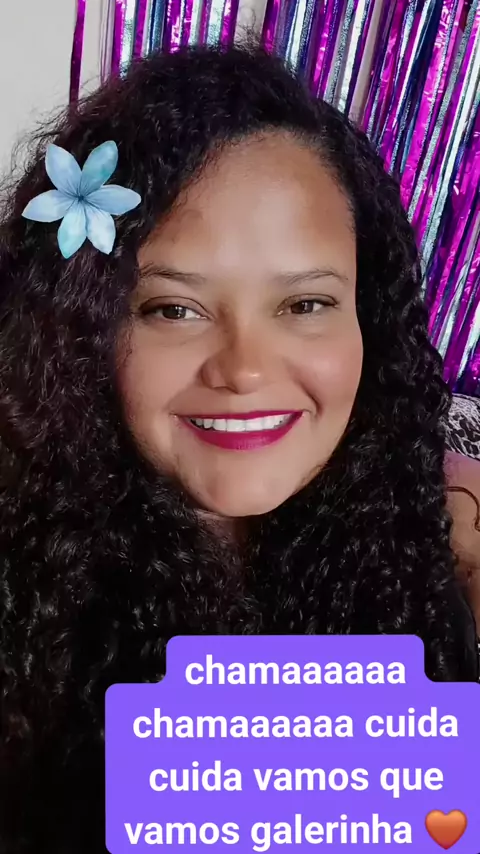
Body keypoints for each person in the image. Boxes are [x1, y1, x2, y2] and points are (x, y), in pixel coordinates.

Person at [0, 42, 479, 853]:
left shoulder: (427, 549)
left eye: (305, 304)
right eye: (173, 310)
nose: (246, 369)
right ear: (84, 331)